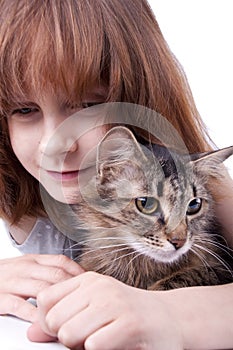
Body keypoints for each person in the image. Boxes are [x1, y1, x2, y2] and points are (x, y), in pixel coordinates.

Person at [0, 0, 232, 349]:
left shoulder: (198, 182)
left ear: (140, 97)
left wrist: (171, 314)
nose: (53, 144)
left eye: (88, 105)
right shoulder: (22, 191)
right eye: (24, 109)